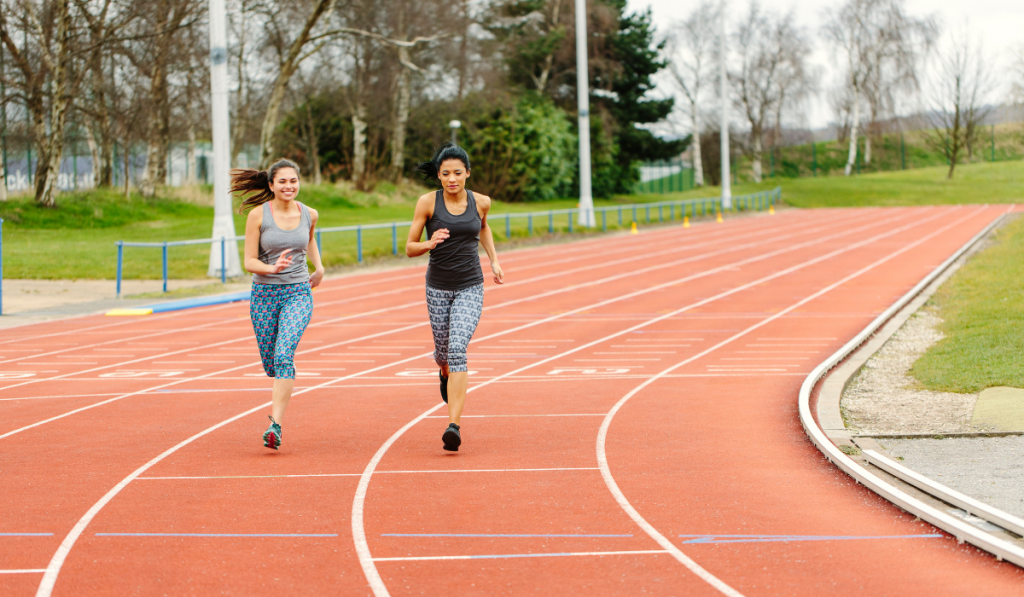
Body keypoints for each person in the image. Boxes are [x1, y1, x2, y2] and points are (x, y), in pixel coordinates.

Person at [406, 143, 504, 452]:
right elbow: (409, 247)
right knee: (444, 353)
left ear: (468, 174)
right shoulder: (427, 203)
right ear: (438, 175)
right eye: (446, 174)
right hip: (437, 287)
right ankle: (443, 372)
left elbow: (483, 228)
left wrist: (494, 260)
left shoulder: (482, 201)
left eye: (457, 173)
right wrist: (429, 243)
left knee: (458, 348)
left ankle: (453, 426)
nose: (452, 179)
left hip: (470, 286)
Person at [232, 159, 324, 450]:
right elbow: (248, 261)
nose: (289, 186)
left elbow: (309, 240)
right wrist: (271, 268)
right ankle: (277, 396)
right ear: (271, 185)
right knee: (272, 364)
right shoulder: (259, 216)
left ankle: (275, 425)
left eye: (293, 181)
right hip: (264, 295)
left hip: (298, 292)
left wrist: (318, 266)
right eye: (282, 181)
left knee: (285, 355)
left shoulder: (309, 213)